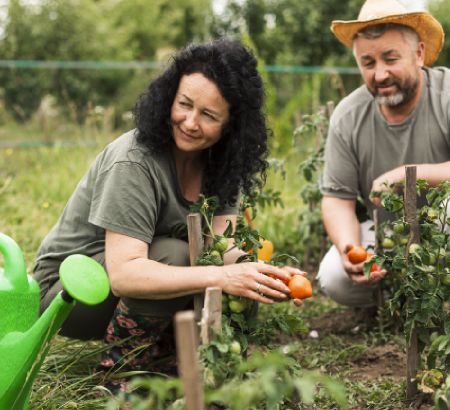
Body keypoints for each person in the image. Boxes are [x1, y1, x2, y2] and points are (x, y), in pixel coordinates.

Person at [33, 39, 303, 390]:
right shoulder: (135, 160)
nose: (190, 122)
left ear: (230, 126)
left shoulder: (221, 164)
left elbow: (223, 247)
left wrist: (263, 273)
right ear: (169, 98)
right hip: (68, 293)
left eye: (208, 115)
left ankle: (187, 365)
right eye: (184, 105)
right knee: (177, 256)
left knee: (239, 274)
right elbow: (126, 275)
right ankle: (121, 377)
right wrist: (222, 277)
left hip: (122, 282)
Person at [316, 0, 450, 309]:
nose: (380, 74)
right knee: (334, 277)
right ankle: (406, 303)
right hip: (391, 238)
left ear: (419, 54)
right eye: (368, 63)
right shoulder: (349, 115)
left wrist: (406, 175)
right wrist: (349, 247)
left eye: (390, 58)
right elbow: (337, 199)